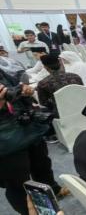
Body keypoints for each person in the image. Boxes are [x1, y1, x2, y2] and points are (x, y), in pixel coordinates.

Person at [0, 69, 69, 215]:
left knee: (42, 164)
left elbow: (14, 86)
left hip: (27, 126)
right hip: (6, 142)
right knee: (18, 183)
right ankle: (31, 212)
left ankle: (53, 190)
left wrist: (23, 89)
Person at [37, 54, 83, 119]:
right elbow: (82, 93)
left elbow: (43, 103)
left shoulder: (43, 83)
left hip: (61, 115)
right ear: (60, 63)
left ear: (45, 67)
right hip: (81, 109)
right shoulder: (75, 76)